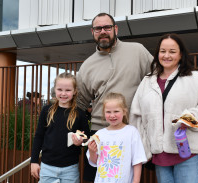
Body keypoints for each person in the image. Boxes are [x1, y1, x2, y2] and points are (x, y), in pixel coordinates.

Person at [129, 33, 198, 183]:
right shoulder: (147, 81)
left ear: (181, 54)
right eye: (163, 51)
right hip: (160, 156)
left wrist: (190, 118)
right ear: (157, 53)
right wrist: (145, 147)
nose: (166, 55)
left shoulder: (195, 78)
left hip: (189, 153)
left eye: (172, 51)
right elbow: (136, 117)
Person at [76, 12, 153, 181]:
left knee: (128, 176)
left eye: (107, 27)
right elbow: (80, 103)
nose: (103, 31)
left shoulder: (137, 51)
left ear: (115, 29)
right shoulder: (87, 66)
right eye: (98, 28)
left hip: (132, 130)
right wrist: (79, 132)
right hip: (100, 133)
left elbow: (156, 80)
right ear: (93, 32)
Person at [30, 72, 90, 183]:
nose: (63, 93)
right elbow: (39, 137)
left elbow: (87, 138)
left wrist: (81, 142)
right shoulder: (46, 110)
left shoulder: (80, 114)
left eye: (68, 90)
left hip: (70, 168)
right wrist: (33, 161)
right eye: (60, 89)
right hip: (47, 167)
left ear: (75, 91)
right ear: (55, 90)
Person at [87, 92, 147, 183]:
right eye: (108, 112)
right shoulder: (99, 134)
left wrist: (136, 181)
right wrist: (92, 151)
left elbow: (137, 160)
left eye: (116, 111)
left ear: (124, 111)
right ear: (104, 113)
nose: (112, 115)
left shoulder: (131, 132)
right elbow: (95, 162)